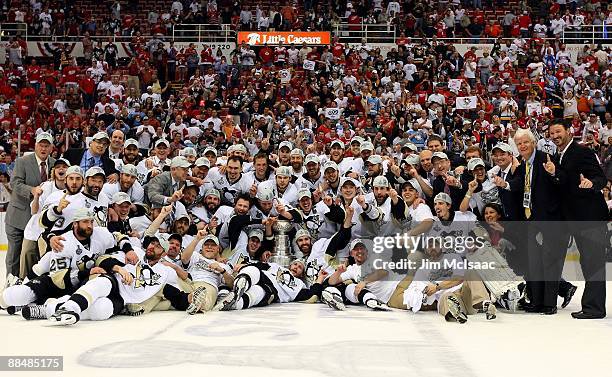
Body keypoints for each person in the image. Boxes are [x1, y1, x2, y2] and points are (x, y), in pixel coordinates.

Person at [548, 120, 608, 319]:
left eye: (558, 131)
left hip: (590, 217)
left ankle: (595, 308)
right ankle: (592, 306)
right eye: (551, 133)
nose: (555, 135)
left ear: (569, 131)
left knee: (594, 263)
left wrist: (591, 183)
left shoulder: (582, 152)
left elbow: (601, 178)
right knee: (587, 263)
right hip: (573, 219)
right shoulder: (557, 157)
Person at [5, 132, 55, 277]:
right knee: (14, 254)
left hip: (39, 221)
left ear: (51, 148)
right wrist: (32, 190)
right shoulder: (23, 161)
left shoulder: (54, 164)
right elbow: (15, 183)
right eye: (41, 145)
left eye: (46, 146)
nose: (43, 148)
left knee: (33, 255)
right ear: (35, 146)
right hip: (19, 217)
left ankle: (29, 283)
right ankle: (11, 283)